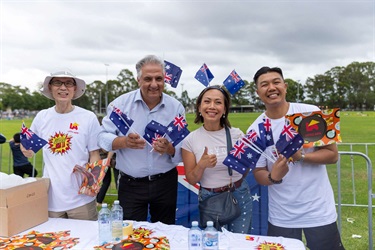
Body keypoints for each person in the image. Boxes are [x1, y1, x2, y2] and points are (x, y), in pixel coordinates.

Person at [247, 66, 344, 250]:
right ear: (257, 92)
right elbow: (259, 172)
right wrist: (273, 177)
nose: (271, 88)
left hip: (318, 210)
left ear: (285, 86)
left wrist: (300, 157)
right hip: (282, 215)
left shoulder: (309, 113)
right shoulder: (255, 129)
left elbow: (333, 155)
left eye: (276, 82)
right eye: (264, 84)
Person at [98, 55, 185, 224]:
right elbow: (102, 137)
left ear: (164, 80)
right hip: (131, 185)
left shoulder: (176, 108)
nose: (154, 84)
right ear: (138, 80)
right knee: (131, 235)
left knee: (165, 233)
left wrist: (169, 149)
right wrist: (123, 142)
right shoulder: (120, 106)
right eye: (148, 79)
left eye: (158, 78)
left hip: (165, 183)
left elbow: (182, 147)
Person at [22, 70, 101, 221]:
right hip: (51, 200)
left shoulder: (88, 117)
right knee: (55, 243)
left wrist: (93, 180)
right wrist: (26, 150)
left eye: (69, 83)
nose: (63, 88)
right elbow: (29, 147)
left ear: (74, 89)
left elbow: (94, 153)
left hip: (82, 199)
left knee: (86, 242)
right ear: (50, 88)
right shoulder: (42, 117)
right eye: (58, 83)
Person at [181, 85, 252, 234]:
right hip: (210, 199)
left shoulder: (237, 135)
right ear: (199, 107)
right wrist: (202, 165)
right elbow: (192, 179)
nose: (212, 106)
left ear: (225, 109)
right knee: (213, 243)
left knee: (239, 244)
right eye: (207, 101)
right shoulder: (190, 140)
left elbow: (245, 170)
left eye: (218, 102)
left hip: (239, 194)